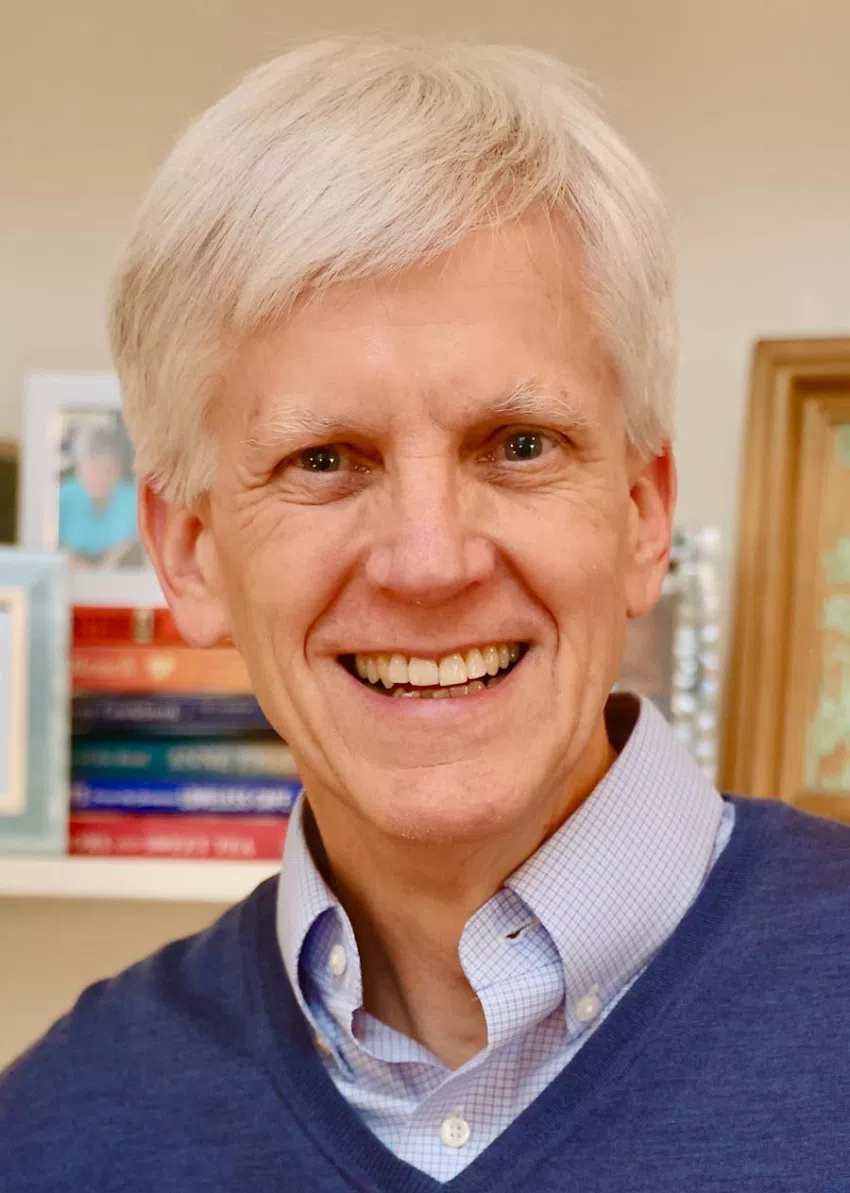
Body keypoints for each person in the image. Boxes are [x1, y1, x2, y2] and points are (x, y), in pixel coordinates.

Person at [2, 36, 848, 1192]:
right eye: (323, 458)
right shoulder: (57, 1130)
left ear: (643, 512)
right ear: (189, 551)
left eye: (518, 444)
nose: (429, 560)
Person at [58, 420, 140, 569]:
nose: (99, 477)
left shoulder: (134, 499)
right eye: (92, 468)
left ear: (118, 468)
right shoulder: (64, 496)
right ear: (78, 469)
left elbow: (133, 546)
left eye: (106, 468)